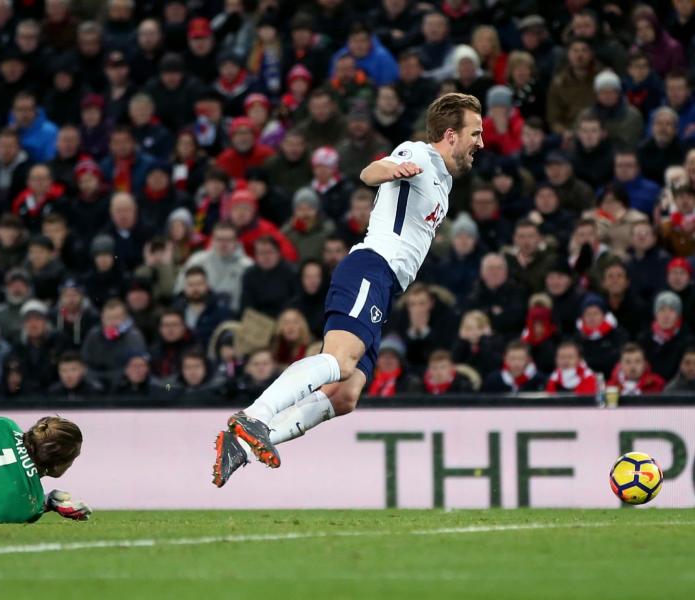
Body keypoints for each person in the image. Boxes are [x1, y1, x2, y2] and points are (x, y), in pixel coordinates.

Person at [212, 93, 484, 487]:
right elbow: (370, 172)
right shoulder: (420, 155)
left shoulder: (443, 179)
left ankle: (248, 441)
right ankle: (253, 416)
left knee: (346, 394)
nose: (481, 142)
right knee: (339, 361)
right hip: (370, 269)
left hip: (385, 287)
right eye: (475, 133)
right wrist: (392, 169)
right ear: (450, 134)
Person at [481, 340, 546, 393]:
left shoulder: (539, 380)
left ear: (529, 360)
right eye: (512, 358)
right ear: (505, 359)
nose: (516, 363)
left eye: (521, 358)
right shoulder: (493, 380)